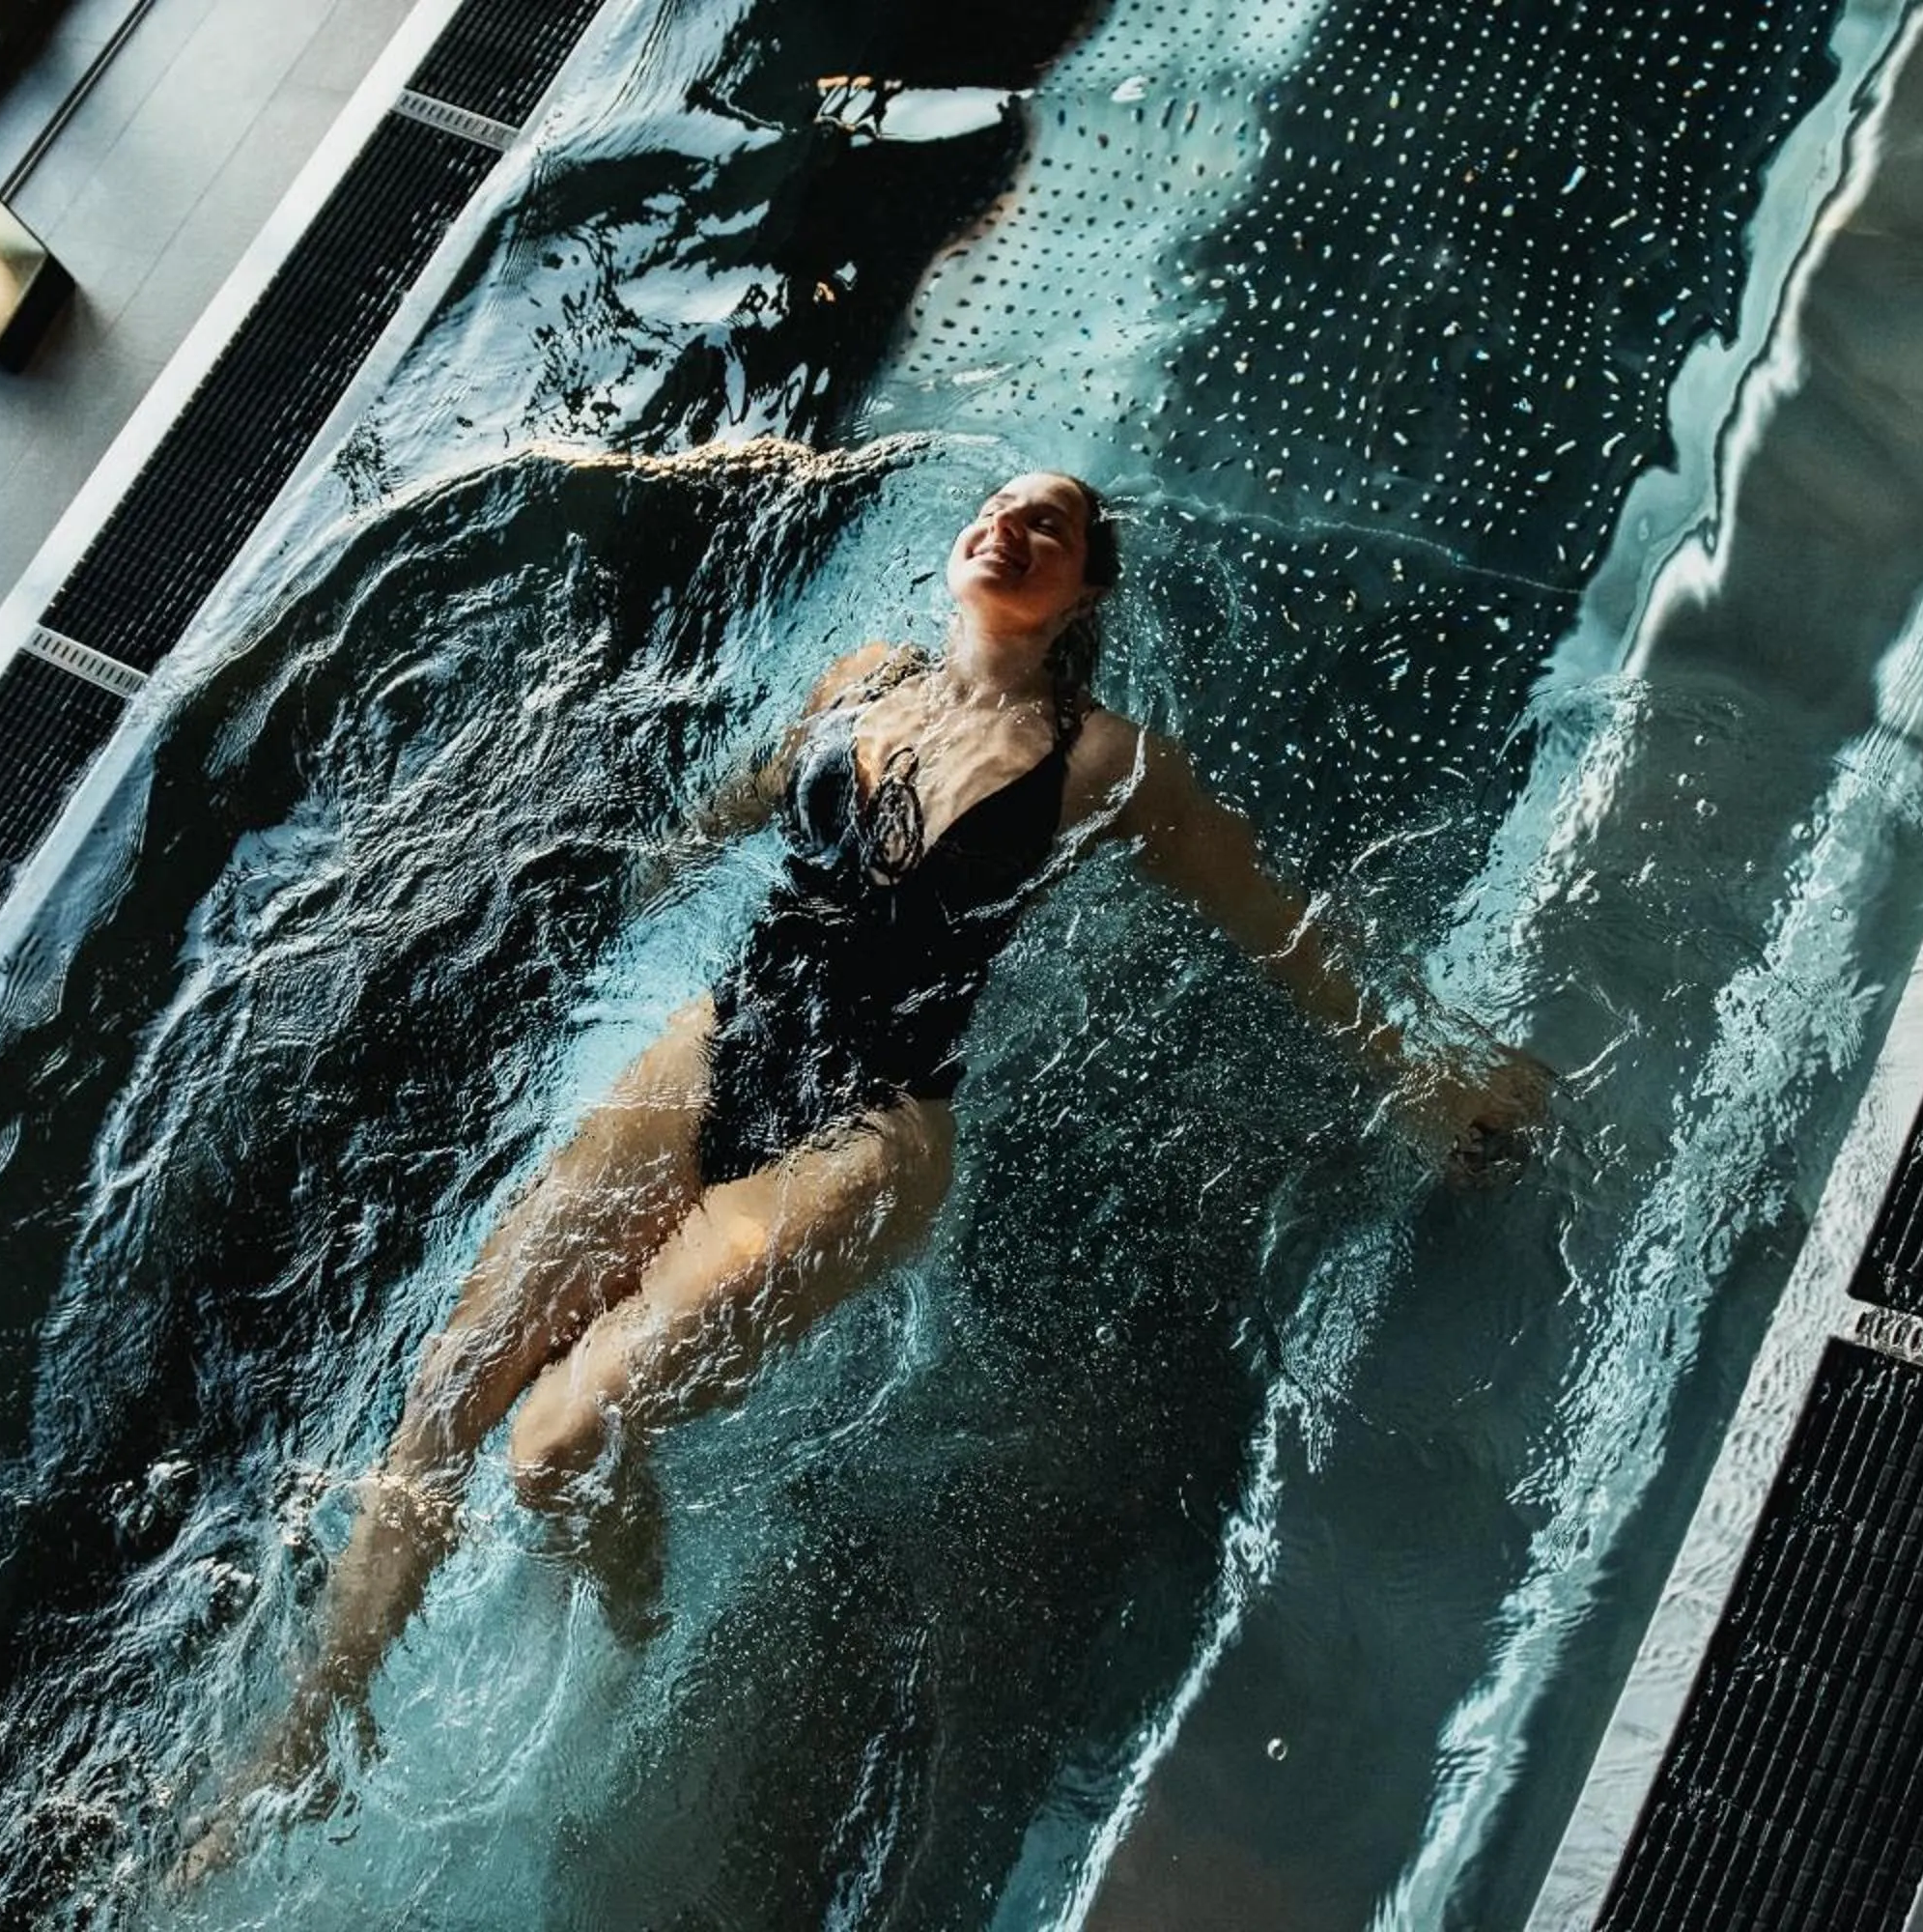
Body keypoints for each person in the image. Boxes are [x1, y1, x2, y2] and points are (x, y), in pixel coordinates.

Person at [182, 470, 1544, 1868]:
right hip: (714, 1053)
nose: (1009, 528)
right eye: (1002, 509)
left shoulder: (1106, 764)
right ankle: (300, 1743)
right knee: (445, 1398)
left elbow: (1277, 926)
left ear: (1083, 592)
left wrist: (1428, 1072)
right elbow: (705, 829)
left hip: (866, 1136)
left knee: (558, 1444)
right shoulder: (858, 681)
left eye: (1051, 528)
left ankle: (616, 1668)